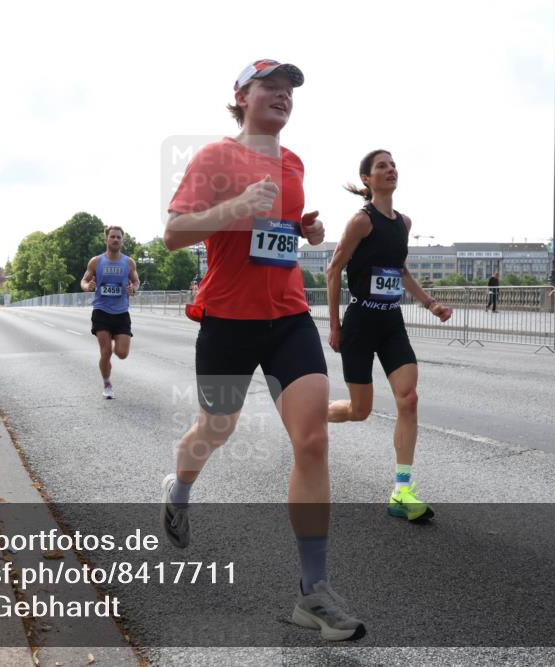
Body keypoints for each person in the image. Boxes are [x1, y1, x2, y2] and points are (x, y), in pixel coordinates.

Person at [161, 59, 365, 641]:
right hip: (227, 318)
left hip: (289, 318)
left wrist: (303, 229)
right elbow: (175, 233)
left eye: (289, 90)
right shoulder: (214, 159)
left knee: (313, 438)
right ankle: (180, 489)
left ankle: (313, 593)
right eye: (270, 87)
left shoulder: (293, 162)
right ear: (241, 97)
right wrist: (235, 208)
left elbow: (274, 226)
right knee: (216, 428)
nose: (282, 96)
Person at [325, 149, 452, 524]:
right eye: (381, 166)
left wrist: (430, 304)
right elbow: (334, 270)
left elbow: (400, 270)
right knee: (359, 411)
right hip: (361, 322)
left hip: (391, 322)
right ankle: (311, 415)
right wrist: (334, 325)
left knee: (408, 399)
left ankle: (401, 489)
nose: (390, 169)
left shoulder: (404, 223)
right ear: (367, 179)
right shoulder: (361, 222)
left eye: (393, 164)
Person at [80, 226, 140, 399]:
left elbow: (136, 281)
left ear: (122, 241)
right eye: (112, 237)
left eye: (118, 237)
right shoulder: (96, 261)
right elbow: (84, 280)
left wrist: (133, 289)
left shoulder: (129, 263)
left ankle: (115, 340)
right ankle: (107, 383)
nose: (115, 239)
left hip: (121, 313)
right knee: (105, 352)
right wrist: (87, 286)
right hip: (102, 311)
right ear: (106, 239)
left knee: (122, 354)